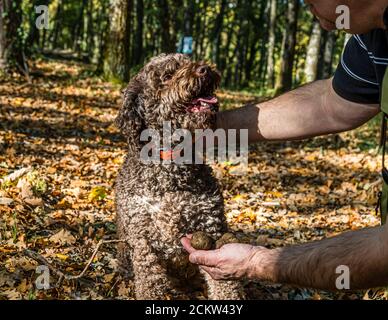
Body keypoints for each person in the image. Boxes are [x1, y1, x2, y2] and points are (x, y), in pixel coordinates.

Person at [181, 0, 388, 290]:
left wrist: (256, 262)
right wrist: (212, 129)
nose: (305, 5)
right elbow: (332, 105)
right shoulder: (372, 33)